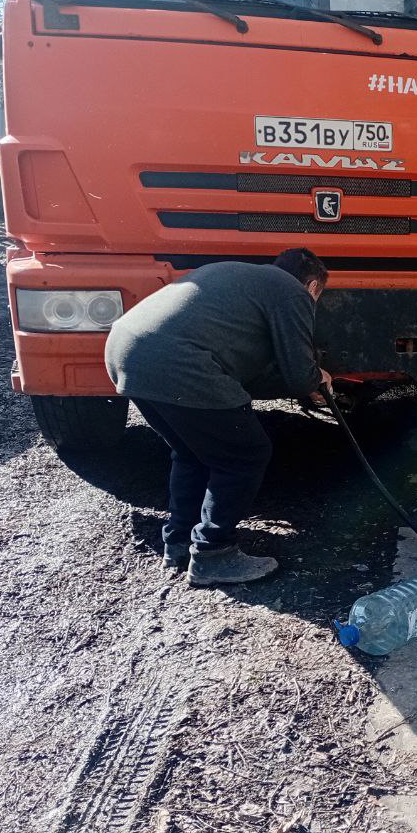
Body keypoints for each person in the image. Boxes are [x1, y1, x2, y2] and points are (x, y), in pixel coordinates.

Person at [104, 249, 331, 586]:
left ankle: (179, 541)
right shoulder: (291, 290)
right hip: (178, 361)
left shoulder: (244, 280)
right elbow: (299, 375)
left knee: (192, 452)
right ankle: (213, 553)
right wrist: (318, 379)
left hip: (126, 351)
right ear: (313, 286)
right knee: (245, 455)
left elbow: (247, 368)